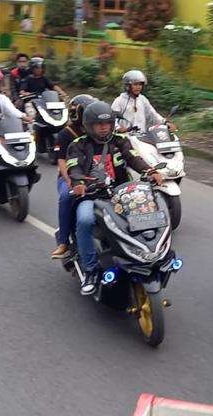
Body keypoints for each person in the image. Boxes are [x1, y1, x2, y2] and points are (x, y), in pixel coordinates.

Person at [67, 101, 163, 295]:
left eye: (108, 124)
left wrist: (150, 171)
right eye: (98, 124)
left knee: (148, 212)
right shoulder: (78, 145)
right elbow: (74, 168)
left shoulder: (120, 141)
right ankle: (91, 270)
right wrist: (79, 183)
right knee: (84, 220)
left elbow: (134, 158)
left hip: (121, 192)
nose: (104, 128)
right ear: (88, 126)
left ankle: (148, 255)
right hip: (91, 195)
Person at [50, 94, 95, 259]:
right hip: (69, 177)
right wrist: (69, 180)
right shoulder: (65, 133)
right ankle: (63, 241)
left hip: (94, 177)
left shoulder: (96, 130)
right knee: (66, 197)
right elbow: (61, 160)